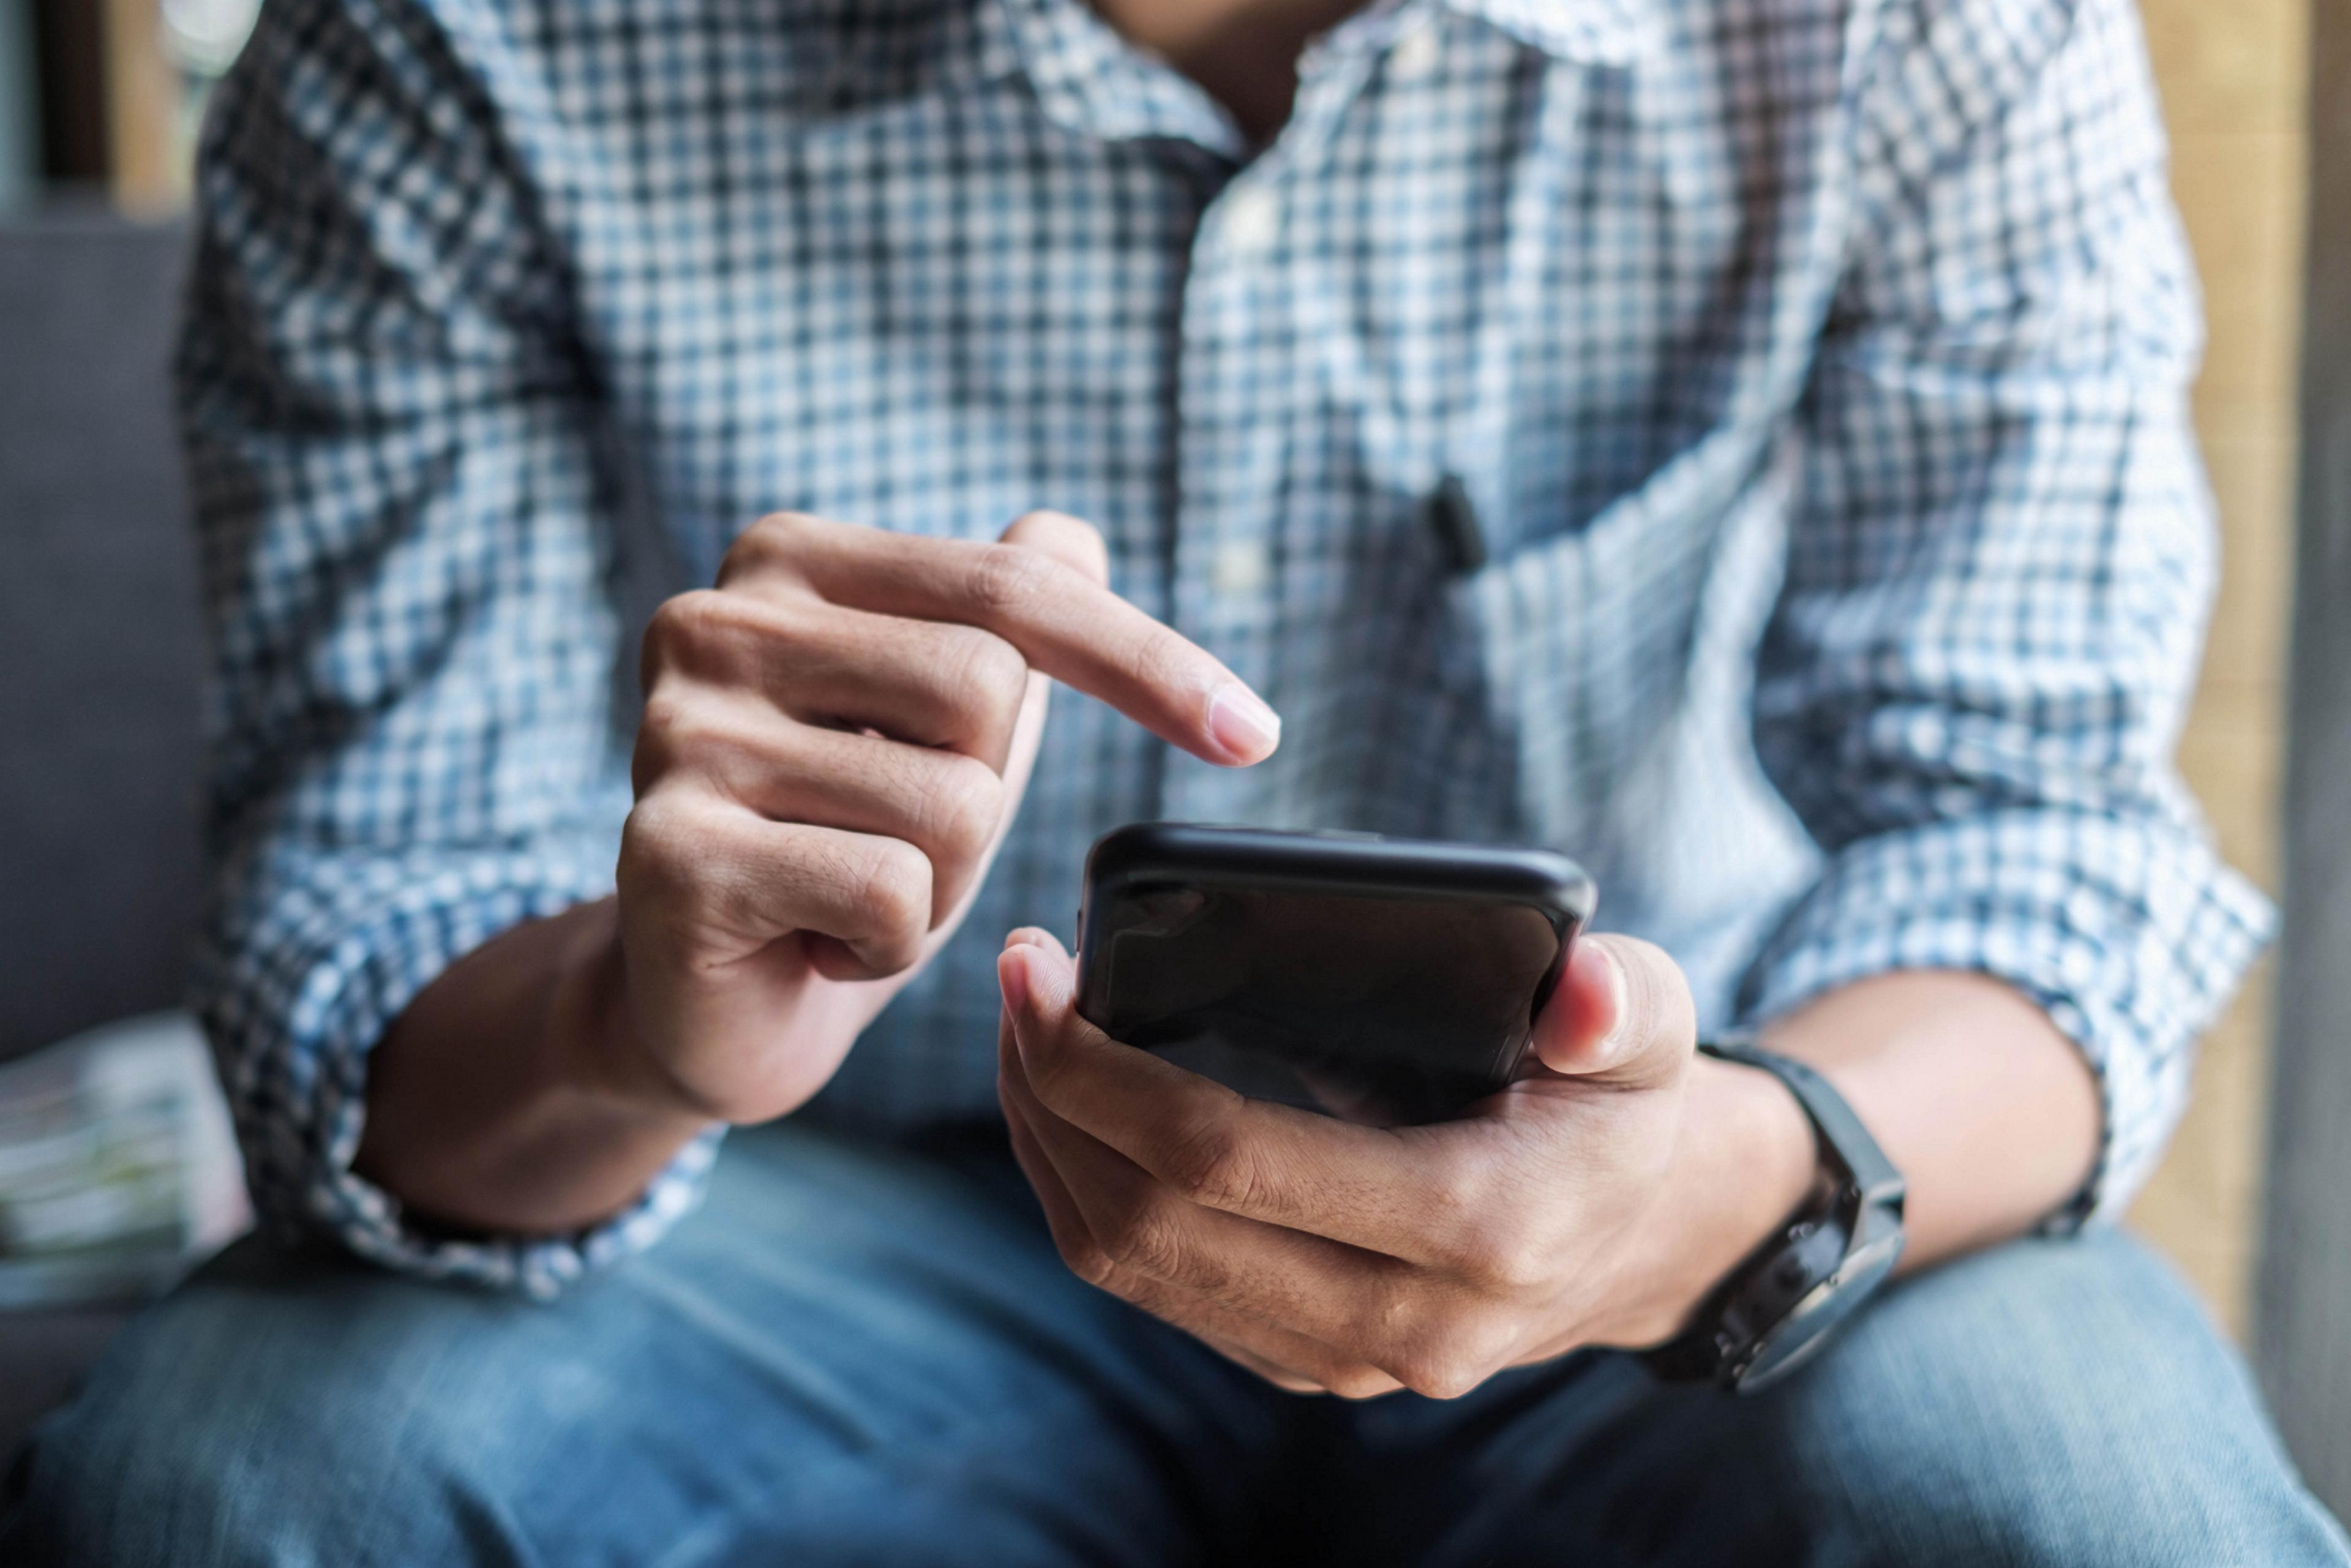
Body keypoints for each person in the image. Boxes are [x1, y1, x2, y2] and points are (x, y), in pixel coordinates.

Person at [7, 0, 2347, 1559]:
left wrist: (1736, 1172)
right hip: (803, 1214)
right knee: (227, 1485)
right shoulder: (443, 37)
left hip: (1693, 1194)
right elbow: (361, 941)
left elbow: (2032, 834)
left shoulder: (1919, 25)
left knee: (2089, 1492)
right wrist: (634, 1014)